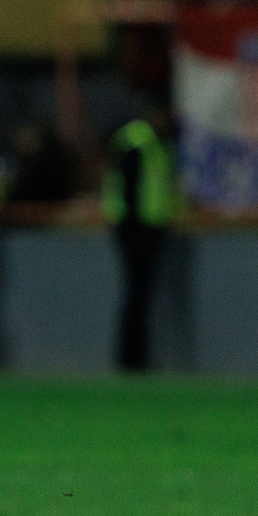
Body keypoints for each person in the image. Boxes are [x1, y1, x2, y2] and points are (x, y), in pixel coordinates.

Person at [102, 105, 178, 371]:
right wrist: (134, 229)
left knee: (141, 297)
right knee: (136, 296)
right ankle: (131, 359)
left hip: (148, 229)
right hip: (136, 230)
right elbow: (129, 189)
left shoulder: (155, 143)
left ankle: (136, 357)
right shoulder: (137, 142)